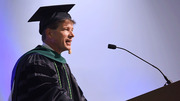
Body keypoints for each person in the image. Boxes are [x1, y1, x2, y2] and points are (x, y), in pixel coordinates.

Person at [9, 4, 87, 101]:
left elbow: (79, 96)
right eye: (66, 29)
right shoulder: (36, 61)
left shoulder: (62, 65)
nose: (72, 35)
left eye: (72, 30)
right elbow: (52, 96)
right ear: (50, 33)